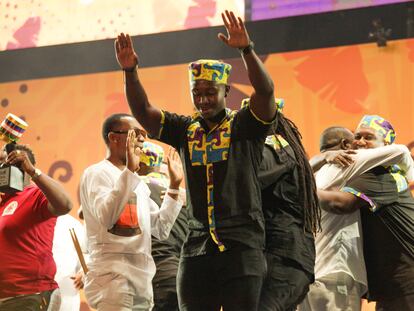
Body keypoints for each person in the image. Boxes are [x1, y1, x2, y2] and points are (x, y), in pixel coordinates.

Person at [115, 10, 277, 311]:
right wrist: (130, 72)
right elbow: (144, 112)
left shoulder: (245, 126)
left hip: (241, 245)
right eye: (196, 93)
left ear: (226, 91)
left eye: (209, 92)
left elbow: (265, 92)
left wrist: (246, 50)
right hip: (197, 247)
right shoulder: (184, 128)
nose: (202, 99)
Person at [299, 124, 414, 311]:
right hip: (387, 285)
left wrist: (299, 185)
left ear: (384, 146)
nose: (359, 142)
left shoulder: (381, 176)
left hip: (404, 282)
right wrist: (323, 157)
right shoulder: (343, 172)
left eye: (368, 137)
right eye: (357, 136)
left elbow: (340, 204)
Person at [80, 113, 183, 310]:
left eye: (144, 134)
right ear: (114, 137)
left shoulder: (138, 184)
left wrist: (175, 187)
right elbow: (107, 216)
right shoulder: (97, 172)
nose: (143, 139)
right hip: (112, 279)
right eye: (136, 134)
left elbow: (160, 228)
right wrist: (129, 172)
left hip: (142, 281)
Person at [242, 98, 319, 311]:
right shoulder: (279, 147)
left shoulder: (274, 145)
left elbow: (246, 180)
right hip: (283, 256)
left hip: (282, 257)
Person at [0, 144, 73, 310]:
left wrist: (34, 171)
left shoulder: (36, 194)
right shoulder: (4, 203)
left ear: (22, 168)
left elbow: (66, 205)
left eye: (5, 163)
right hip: (5, 297)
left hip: (30, 295)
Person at [138, 141, 188, 311]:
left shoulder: (136, 187)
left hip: (157, 274)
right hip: (185, 277)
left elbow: (87, 211)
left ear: (141, 163)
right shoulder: (181, 194)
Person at [52, 214, 86, 311]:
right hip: (35, 296)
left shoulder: (72, 224)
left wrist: (84, 273)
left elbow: (84, 256)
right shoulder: (32, 219)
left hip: (67, 298)